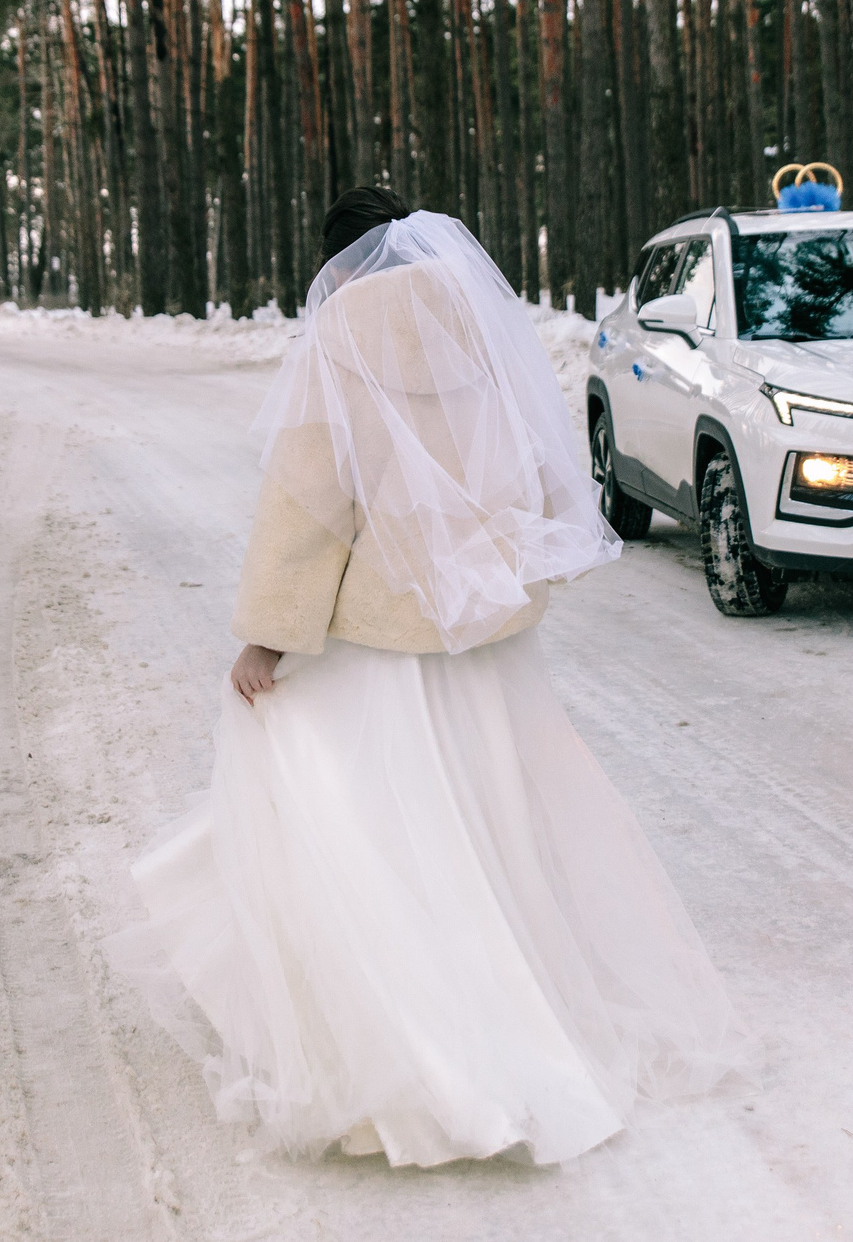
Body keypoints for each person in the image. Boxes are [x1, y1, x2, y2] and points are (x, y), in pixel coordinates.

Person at [110, 187, 744, 1169]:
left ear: (341, 263)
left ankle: (405, 1048)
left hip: (376, 635)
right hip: (481, 636)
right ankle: (515, 1016)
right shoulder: (481, 329)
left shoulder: (340, 341)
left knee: (351, 825)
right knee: (486, 828)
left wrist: (267, 637)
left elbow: (309, 504)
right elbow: (535, 474)